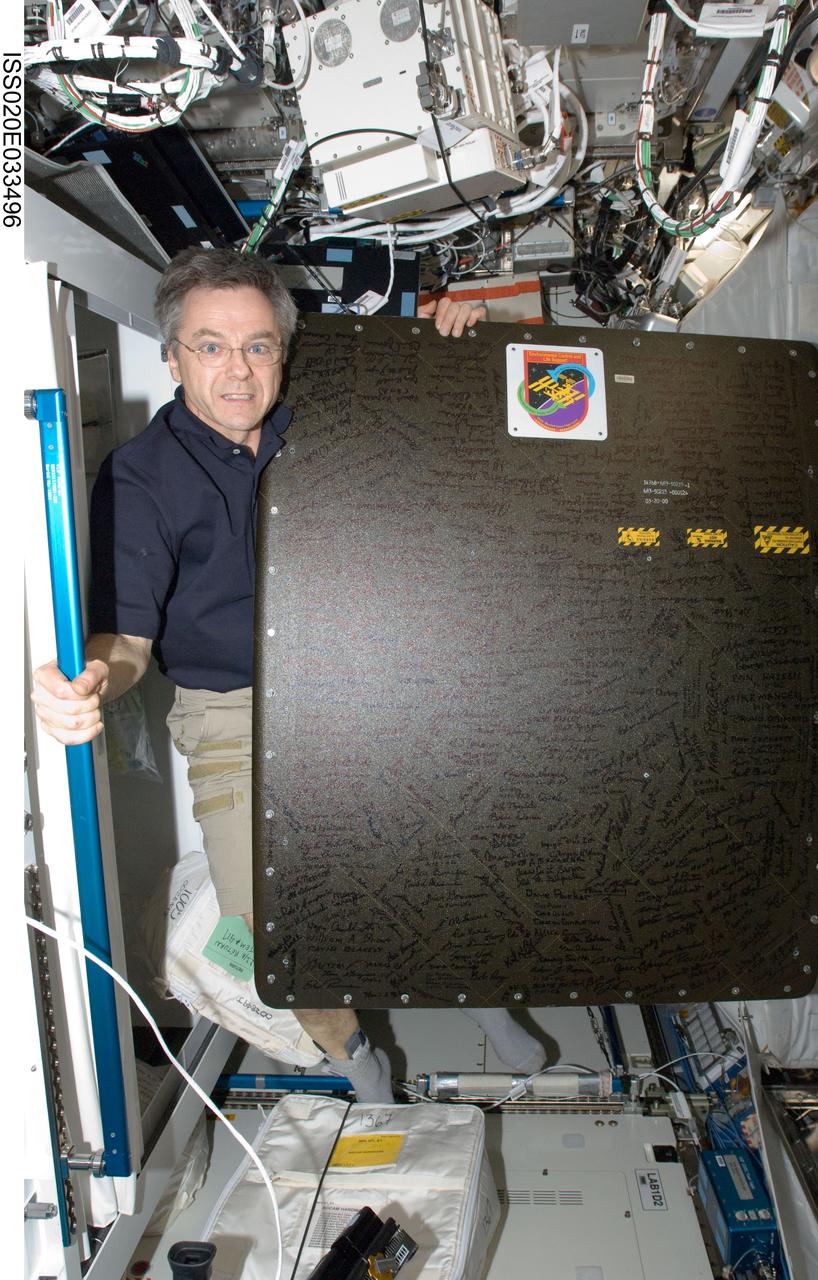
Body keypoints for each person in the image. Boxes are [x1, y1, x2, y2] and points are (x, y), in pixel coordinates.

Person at [31, 246, 546, 1102]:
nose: (237, 369)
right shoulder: (141, 479)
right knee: (268, 932)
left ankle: (480, 1000)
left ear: (283, 352)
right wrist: (85, 682)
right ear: (173, 357)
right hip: (228, 713)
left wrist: (458, 341)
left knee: (441, 847)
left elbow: (455, 415)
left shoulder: (326, 417)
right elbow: (126, 640)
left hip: (359, 687)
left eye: (258, 346)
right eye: (211, 346)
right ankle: (359, 1062)